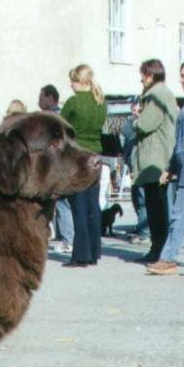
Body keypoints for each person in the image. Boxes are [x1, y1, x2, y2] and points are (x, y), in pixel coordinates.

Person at [131, 59, 178, 263]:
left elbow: (145, 124)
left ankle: (157, 249)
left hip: (155, 157)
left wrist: (135, 119)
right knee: (158, 204)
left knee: (155, 206)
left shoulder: (156, 95)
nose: (141, 79)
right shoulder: (164, 93)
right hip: (161, 155)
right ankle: (159, 247)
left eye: (143, 74)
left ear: (150, 75)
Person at [60, 64, 107, 267]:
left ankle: (81, 254)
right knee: (92, 206)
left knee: (78, 206)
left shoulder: (73, 102)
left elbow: (60, 126)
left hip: (77, 157)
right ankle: (95, 251)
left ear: (80, 81)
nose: (70, 84)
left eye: (72, 80)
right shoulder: (100, 102)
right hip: (96, 155)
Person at [147, 61, 184, 275]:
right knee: (181, 215)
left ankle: (168, 258)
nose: (181, 79)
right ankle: (168, 257)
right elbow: (180, 143)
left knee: (180, 215)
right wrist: (171, 168)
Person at [39, 83, 73, 254]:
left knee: (61, 203)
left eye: (42, 97)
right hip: (54, 164)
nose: (39, 101)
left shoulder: (53, 118)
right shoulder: (55, 117)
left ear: (51, 98)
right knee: (56, 203)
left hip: (55, 165)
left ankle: (67, 239)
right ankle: (62, 237)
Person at [121, 98, 151, 244]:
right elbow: (126, 132)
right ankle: (141, 227)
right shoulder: (130, 123)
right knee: (136, 197)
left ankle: (145, 232)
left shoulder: (144, 124)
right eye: (133, 110)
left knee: (142, 197)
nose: (134, 112)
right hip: (133, 165)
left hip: (143, 166)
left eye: (138, 110)